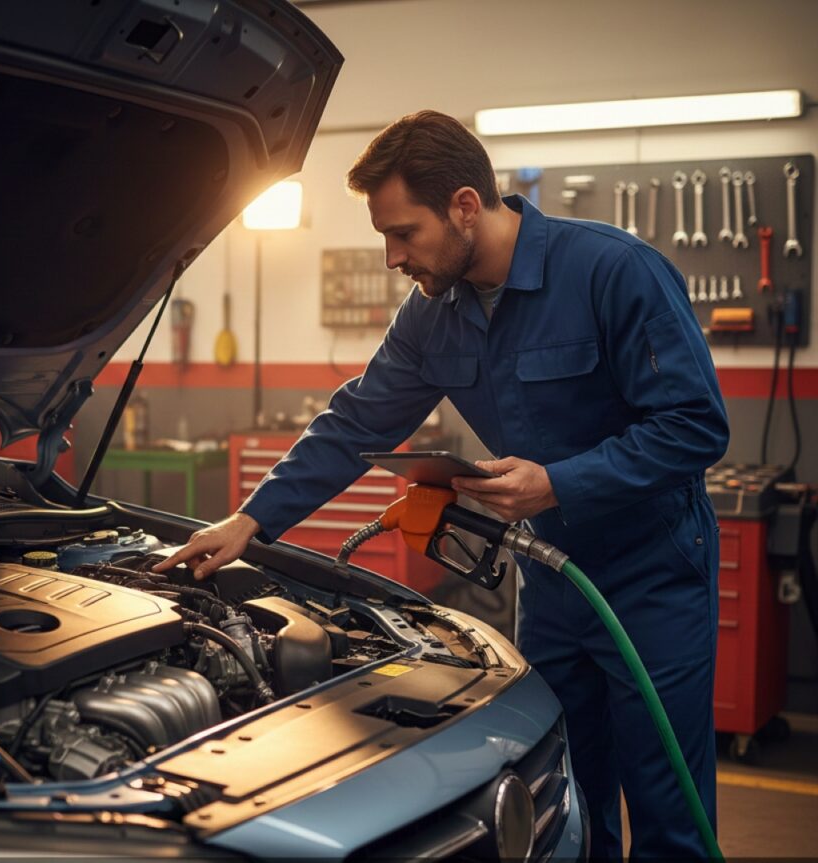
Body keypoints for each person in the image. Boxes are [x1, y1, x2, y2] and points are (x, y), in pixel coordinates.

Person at [154, 110, 729, 859]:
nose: (392, 257)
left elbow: (696, 425)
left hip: (653, 574)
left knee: (666, 809)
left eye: (404, 233)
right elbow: (355, 422)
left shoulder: (613, 271)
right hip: (553, 581)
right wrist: (250, 522)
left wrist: (560, 482)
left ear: (463, 206)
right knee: (565, 803)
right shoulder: (432, 314)